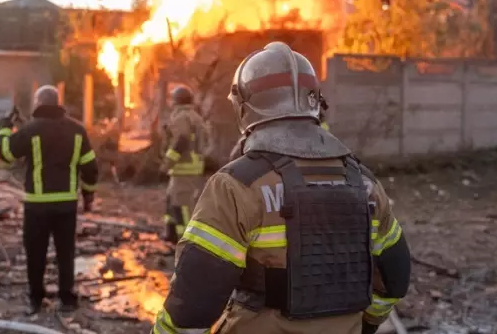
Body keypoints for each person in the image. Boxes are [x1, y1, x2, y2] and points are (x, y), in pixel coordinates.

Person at [151, 42, 411, 334]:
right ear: (314, 102)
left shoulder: (236, 187)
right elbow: (395, 276)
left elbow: (194, 299)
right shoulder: (366, 184)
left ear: (244, 107)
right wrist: (365, 325)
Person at [0, 85, 98, 314]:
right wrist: (88, 196)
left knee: (36, 253)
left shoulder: (32, 130)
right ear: (57, 103)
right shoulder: (77, 130)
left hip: (37, 206)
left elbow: (6, 152)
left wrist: (4, 128)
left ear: (39, 104)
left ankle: (36, 299)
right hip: (66, 205)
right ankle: (67, 299)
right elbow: (91, 167)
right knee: (65, 253)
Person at [160, 85, 210, 244]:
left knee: (182, 205)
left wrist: (167, 163)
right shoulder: (195, 116)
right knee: (171, 199)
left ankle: (187, 241)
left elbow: (181, 140)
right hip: (190, 167)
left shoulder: (182, 117)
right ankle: (171, 233)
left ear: (176, 101)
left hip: (184, 168)